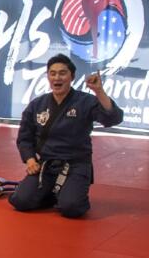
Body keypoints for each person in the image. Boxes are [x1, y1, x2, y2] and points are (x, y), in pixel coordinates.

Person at [8, 53, 123, 218]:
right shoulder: (37, 105)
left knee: (71, 208)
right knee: (20, 201)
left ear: (72, 77)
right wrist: (30, 159)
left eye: (62, 73)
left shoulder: (85, 102)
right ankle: (51, 194)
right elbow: (24, 137)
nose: (57, 77)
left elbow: (113, 118)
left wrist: (99, 91)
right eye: (52, 73)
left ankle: (68, 194)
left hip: (75, 165)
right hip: (46, 165)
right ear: (48, 76)